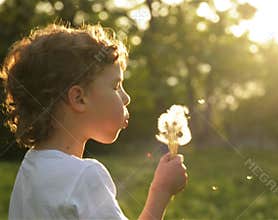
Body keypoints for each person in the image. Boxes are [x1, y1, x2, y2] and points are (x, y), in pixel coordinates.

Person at [1, 23, 188, 220]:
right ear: (79, 98)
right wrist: (161, 191)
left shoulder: (29, 170)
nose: (126, 98)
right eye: (116, 86)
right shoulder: (85, 177)